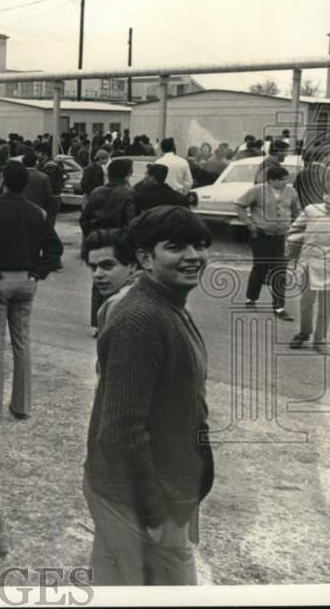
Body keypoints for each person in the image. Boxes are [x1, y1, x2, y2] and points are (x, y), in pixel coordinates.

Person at [83, 206, 215, 585]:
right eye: (176, 247)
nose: (193, 256)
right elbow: (121, 431)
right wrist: (155, 514)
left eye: (199, 245)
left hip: (155, 490)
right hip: (138, 500)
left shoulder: (167, 303)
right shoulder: (141, 319)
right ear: (144, 257)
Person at [0, 161, 63, 421]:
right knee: (22, 342)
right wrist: (38, 272)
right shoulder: (37, 212)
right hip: (27, 281)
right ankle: (22, 405)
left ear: (2, 180)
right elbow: (55, 249)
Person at [234, 166, 300, 320]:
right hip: (261, 236)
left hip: (281, 238)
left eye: (286, 179)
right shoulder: (257, 190)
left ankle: (279, 308)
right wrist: (249, 224)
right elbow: (239, 205)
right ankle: (251, 299)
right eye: (282, 180)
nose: (285, 182)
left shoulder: (291, 191)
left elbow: (296, 211)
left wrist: (295, 227)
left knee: (280, 272)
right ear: (272, 180)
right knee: (260, 268)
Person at [287, 173, 330, 352]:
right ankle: (304, 333)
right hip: (309, 264)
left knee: (327, 306)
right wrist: (295, 248)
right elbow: (294, 230)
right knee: (306, 302)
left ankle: (320, 340)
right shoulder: (312, 210)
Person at [81, 229, 137, 336]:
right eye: (93, 267)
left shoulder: (119, 305)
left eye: (107, 266)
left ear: (132, 266)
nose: (97, 274)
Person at [79, 157, 137, 236]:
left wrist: (90, 235)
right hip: (116, 240)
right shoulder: (129, 194)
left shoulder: (96, 192)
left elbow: (84, 219)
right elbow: (131, 222)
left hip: (96, 237)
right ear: (127, 174)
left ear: (108, 173)